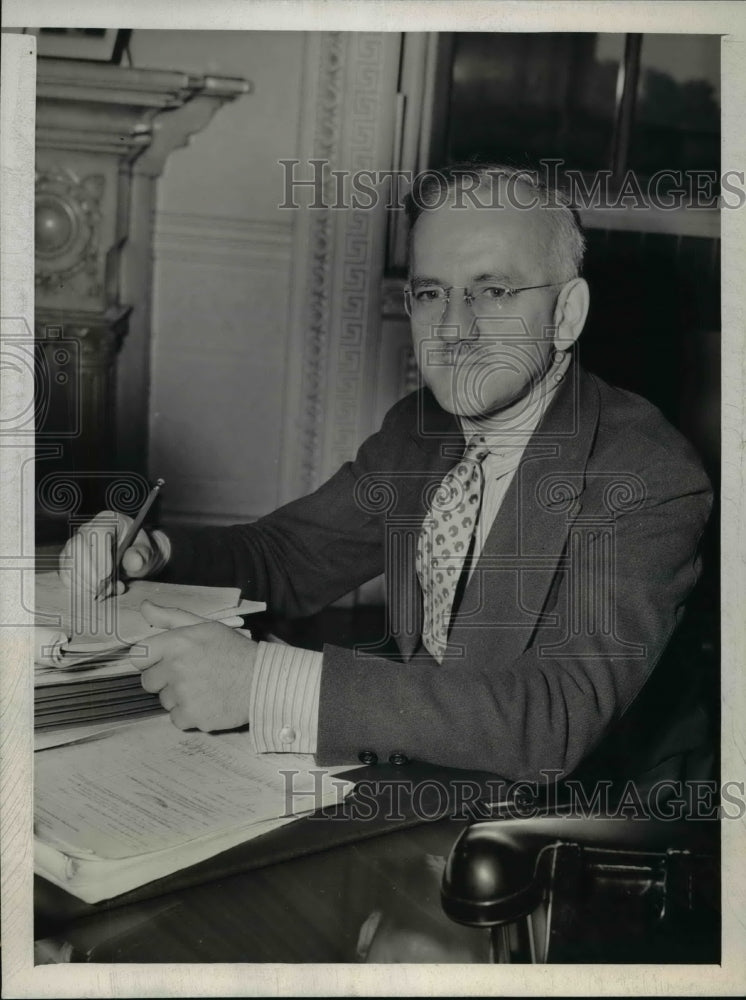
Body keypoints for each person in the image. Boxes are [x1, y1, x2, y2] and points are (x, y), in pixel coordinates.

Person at [61, 163, 713, 794]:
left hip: (595, 824)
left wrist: (267, 683)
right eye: (431, 293)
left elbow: (556, 719)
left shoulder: (648, 473)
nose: (453, 329)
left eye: (493, 291)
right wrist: (157, 552)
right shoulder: (418, 430)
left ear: (566, 314)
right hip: (431, 780)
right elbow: (287, 558)